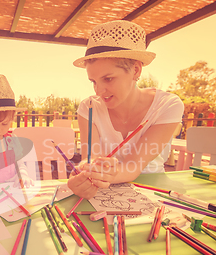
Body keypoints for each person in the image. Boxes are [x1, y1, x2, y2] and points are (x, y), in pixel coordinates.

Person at [68, 20, 184, 200]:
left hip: (154, 191)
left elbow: (133, 166)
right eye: (93, 81)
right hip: (104, 194)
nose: (98, 91)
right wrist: (84, 172)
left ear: (136, 70)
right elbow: (90, 158)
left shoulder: (167, 105)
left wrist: (102, 175)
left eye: (108, 79)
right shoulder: (88, 107)